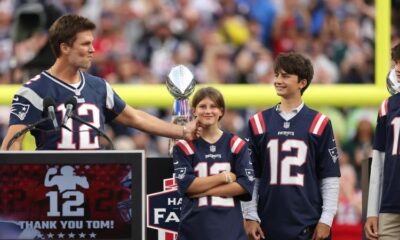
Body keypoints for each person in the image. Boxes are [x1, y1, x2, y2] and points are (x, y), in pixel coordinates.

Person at [0, 14, 200, 150]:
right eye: (85, 44)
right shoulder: (34, 91)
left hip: (96, 185)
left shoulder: (99, 87)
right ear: (65, 48)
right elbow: (12, 145)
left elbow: (136, 118)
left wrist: (182, 131)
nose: (92, 50)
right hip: (51, 188)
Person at [242, 52, 341, 240]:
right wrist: (250, 215)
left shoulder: (319, 123)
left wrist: (326, 220)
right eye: (277, 75)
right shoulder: (258, 122)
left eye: (285, 76)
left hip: (307, 224)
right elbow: (251, 175)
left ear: (302, 83)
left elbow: (329, 177)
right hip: (266, 224)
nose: (278, 80)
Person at [172, 87, 254, 240]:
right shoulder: (183, 146)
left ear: (221, 111)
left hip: (230, 231)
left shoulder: (237, 145)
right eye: (203, 106)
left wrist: (204, 191)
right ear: (194, 111)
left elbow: (245, 186)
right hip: (194, 230)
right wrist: (223, 177)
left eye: (213, 106)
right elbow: (188, 186)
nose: (208, 111)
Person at [365, 43, 400, 240]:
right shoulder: (388, 105)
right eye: (396, 62)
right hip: (389, 206)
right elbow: (378, 160)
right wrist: (372, 211)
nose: (398, 68)